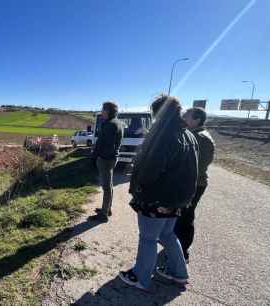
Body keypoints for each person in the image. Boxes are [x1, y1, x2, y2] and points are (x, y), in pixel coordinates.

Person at [119, 95, 198, 291]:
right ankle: (179, 273)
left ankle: (141, 277)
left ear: (157, 112)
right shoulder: (188, 134)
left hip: (156, 197)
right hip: (176, 198)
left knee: (148, 238)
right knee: (168, 235)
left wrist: (138, 187)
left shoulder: (163, 134)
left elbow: (150, 169)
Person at [174, 107, 215, 263]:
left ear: (197, 120)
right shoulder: (195, 135)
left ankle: (182, 253)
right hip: (190, 182)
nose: (183, 118)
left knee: (185, 216)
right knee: (181, 214)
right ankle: (176, 245)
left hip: (194, 184)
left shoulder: (200, 138)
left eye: (186, 116)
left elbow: (196, 167)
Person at [91, 101, 123, 221]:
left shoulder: (109, 124)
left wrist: (95, 157)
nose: (101, 112)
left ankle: (103, 214)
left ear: (108, 111)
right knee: (109, 186)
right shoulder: (118, 123)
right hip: (111, 158)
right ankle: (107, 209)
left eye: (103, 109)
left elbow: (104, 144)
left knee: (106, 187)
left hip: (106, 159)